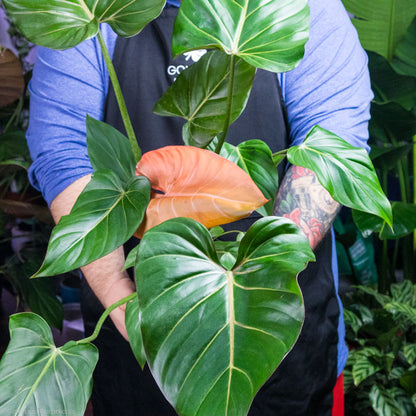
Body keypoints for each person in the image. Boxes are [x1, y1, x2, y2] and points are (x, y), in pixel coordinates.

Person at [26, 0, 373, 414]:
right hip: (140, 332)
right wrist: (132, 314)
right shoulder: (93, 10)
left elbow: (332, 144)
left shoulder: (305, 7)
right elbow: (63, 153)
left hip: (278, 339)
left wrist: (243, 287)